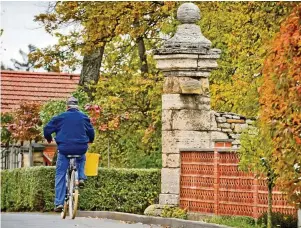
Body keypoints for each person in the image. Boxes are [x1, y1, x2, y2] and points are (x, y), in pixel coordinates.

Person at [43, 96, 95, 212]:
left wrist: (49, 138)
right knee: (81, 158)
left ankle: (59, 203)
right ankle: (81, 177)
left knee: (60, 174)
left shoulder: (60, 117)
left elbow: (47, 129)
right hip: (80, 148)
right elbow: (91, 131)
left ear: (67, 107)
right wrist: (90, 140)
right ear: (77, 107)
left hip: (64, 149)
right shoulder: (83, 117)